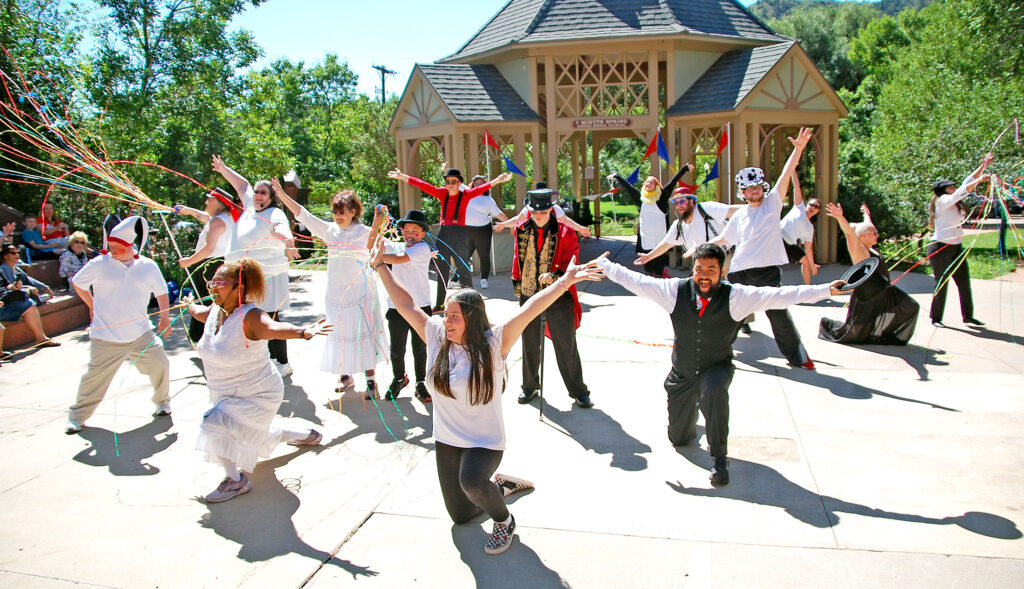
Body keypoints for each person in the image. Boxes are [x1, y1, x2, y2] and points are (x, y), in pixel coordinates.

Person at [368, 231, 604, 554]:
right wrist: (380, 266)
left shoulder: (493, 344)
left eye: (454, 316)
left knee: (472, 483)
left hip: (484, 442)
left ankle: (505, 521)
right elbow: (406, 304)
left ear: (472, 319)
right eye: (446, 314)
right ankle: (500, 487)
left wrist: (565, 281)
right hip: (447, 441)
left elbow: (531, 308)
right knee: (461, 516)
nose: (446, 321)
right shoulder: (436, 335)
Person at [598, 243, 845, 485]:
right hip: (682, 373)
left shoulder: (738, 296)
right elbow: (636, 281)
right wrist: (603, 264)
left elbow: (781, 295)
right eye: (699, 269)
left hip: (716, 366)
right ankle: (690, 415)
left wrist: (827, 290)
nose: (703, 276)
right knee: (679, 438)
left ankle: (719, 459)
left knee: (714, 391)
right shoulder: (674, 291)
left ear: (722, 271)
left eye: (710, 270)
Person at [188, 258, 331, 503]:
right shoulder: (216, 311)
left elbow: (273, 328)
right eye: (212, 281)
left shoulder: (250, 316)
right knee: (255, 434)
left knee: (214, 421)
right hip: (224, 390)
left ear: (239, 288)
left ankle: (236, 481)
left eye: (219, 283)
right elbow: (200, 314)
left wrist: (303, 332)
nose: (212, 287)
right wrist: (189, 306)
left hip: (258, 393)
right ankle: (306, 434)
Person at [686, 127, 817, 370]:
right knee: (730, 315)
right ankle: (711, 352)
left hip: (767, 272)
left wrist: (798, 150)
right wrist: (699, 247)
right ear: (743, 193)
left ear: (763, 189)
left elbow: (786, 174)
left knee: (778, 313)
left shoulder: (772, 204)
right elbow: (724, 240)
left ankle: (798, 357)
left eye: (758, 187)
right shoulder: (740, 215)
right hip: (739, 273)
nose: (754, 191)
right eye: (750, 189)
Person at [272, 177, 388, 396]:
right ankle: (345, 375)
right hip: (336, 293)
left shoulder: (364, 231)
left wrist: (379, 222)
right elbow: (302, 213)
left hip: (361, 292)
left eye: (342, 211)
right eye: (335, 212)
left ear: (353, 211)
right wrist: (281, 195)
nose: (337, 216)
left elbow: (380, 245)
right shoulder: (329, 230)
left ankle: (371, 379)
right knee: (340, 333)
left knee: (362, 332)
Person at [66, 216, 171, 434]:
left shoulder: (148, 266)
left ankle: (162, 403)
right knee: (94, 379)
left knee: (160, 364)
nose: (113, 250)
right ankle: (77, 417)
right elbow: (78, 283)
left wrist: (164, 319)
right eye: (110, 246)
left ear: (131, 246)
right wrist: (91, 304)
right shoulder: (99, 264)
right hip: (106, 336)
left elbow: (161, 291)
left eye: (118, 247)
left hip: (141, 334)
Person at [213, 155, 300, 376]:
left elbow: (279, 228)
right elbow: (241, 184)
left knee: (269, 317)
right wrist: (223, 169)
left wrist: (288, 240)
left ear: (271, 197)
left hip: (268, 275)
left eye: (263, 192)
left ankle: (282, 363)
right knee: (241, 315)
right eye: (257, 191)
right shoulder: (250, 205)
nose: (258, 195)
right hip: (243, 275)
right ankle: (257, 359)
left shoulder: (274, 213)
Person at [512, 188, 593, 408]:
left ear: (551, 210)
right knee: (529, 343)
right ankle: (529, 387)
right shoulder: (520, 229)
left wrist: (555, 276)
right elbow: (517, 258)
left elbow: (571, 263)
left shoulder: (566, 232)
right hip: (529, 293)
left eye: (543, 212)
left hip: (559, 293)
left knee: (565, 344)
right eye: (534, 212)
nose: (538, 216)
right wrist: (518, 283)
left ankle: (578, 390)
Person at [388, 168, 512, 309]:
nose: (451, 184)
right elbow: (422, 184)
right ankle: (440, 304)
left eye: (454, 182)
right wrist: (401, 176)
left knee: (463, 269)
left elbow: (483, 187)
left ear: (460, 183)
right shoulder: (442, 193)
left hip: (459, 233)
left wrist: (498, 180)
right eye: (448, 182)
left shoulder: (466, 195)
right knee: (442, 269)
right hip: (444, 232)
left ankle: (470, 304)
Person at [820, 203, 919, 344]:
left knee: (910, 306)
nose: (877, 235)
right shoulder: (859, 250)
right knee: (858, 331)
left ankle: (883, 334)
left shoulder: (869, 246)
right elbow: (849, 233)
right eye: (875, 233)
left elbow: (868, 226)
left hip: (883, 289)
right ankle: (878, 335)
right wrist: (839, 217)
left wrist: (867, 215)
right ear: (863, 236)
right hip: (869, 293)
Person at [367, 207, 434, 402]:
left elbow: (398, 259)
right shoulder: (396, 246)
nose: (410, 235)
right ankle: (399, 378)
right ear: (401, 231)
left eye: (416, 232)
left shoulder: (422, 249)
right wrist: (377, 222)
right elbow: (371, 245)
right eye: (407, 231)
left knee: (420, 348)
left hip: (420, 306)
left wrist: (378, 258)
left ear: (423, 234)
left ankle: (421, 382)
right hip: (396, 307)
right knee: (397, 349)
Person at [927, 152, 993, 328]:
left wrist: (983, 166)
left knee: (964, 282)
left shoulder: (951, 198)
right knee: (941, 283)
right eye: (950, 187)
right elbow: (963, 190)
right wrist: (979, 181)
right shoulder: (943, 201)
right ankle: (936, 318)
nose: (953, 188)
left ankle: (968, 316)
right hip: (940, 248)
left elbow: (967, 181)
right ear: (943, 191)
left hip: (956, 247)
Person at [175, 188, 240, 344]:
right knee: (209, 300)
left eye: (209, 199)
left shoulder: (218, 221)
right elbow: (204, 217)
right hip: (218, 265)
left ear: (219, 203)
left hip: (209, 266)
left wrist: (188, 261)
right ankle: (206, 337)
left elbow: (209, 248)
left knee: (205, 301)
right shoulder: (225, 218)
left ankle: (205, 338)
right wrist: (188, 211)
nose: (206, 202)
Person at [635, 185, 742, 273]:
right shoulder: (678, 225)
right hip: (702, 263)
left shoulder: (707, 208)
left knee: (731, 295)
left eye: (682, 201)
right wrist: (648, 257)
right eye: (676, 203)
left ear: (692, 202)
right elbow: (666, 244)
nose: (679, 205)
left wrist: (756, 207)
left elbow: (737, 210)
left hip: (725, 258)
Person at [611, 164, 693, 277]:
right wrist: (618, 177)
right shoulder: (641, 199)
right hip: (646, 240)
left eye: (651, 182)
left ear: (656, 185)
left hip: (660, 240)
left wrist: (685, 168)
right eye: (647, 182)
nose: (648, 184)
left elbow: (673, 182)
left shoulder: (661, 198)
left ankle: (658, 286)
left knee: (659, 270)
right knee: (648, 270)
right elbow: (629, 187)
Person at [0, 244, 60, 353]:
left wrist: (45, 287)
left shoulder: (16, 268)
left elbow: (9, 285)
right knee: (29, 300)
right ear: (5, 256)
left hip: (7, 302)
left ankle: (41, 339)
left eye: (18, 253)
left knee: (29, 305)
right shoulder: (4, 268)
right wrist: (26, 288)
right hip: (5, 304)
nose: (16, 255)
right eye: (13, 253)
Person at [494, 182, 593, 238]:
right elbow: (518, 220)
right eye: (534, 212)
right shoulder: (528, 208)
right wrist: (504, 224)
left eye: (543, 212)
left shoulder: (555, 209)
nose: (538, 214)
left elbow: (566, 221)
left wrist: (580, 228)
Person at [464, 174, 510, 289]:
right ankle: (456, 278)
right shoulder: (466, 193)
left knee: (483, 256)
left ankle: (484, 279)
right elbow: (456, 182)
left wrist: (511, 224)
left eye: (481, 183)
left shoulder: (488, 200)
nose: (478, 185)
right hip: (467, 229)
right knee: (464, 254)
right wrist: (446, 170)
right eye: (476, 183)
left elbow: (499, 214)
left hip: (483, 230)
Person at [779, 173, 821, 285]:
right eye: (812, 204)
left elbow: (808, 249)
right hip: (777, 236)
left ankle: (807, 289)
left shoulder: (810, 227)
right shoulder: (799, 206)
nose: (813, 207)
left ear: (818, 211)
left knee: (806, 262)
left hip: (789, 243)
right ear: (807, 204)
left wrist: (812, 266)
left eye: (816, 207)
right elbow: (796, 186)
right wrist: (792, 170)